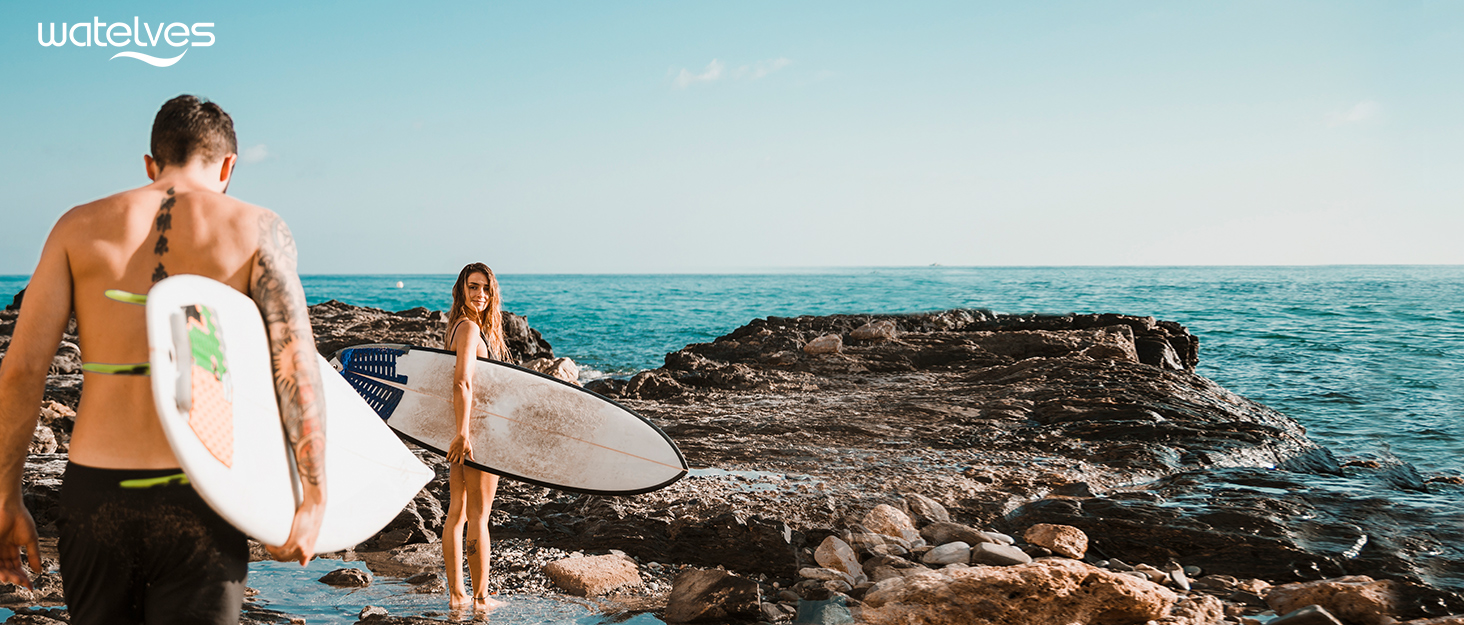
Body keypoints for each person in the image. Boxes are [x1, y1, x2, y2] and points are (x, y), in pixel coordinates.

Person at [0, 95, 326, 624]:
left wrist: (6, 497)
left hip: (95, 492)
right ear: (228, 165)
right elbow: (296, 365)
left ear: (150, 164)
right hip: (201, 495)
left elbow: (21, 370)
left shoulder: (76, 226)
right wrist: (312, 501)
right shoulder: (257, 228)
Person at [442, 263, 510, 611]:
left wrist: (457, 431)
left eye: (485, 288)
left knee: (458, 511)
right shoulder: (469, 329)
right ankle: (480, 598)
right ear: (461, 290)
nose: (479, 295)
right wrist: (464, 433)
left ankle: (457, 596)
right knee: (478, 516)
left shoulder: (458, 327)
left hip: (463, 429)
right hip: (475, 432)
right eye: (472, 287)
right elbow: (462, 381)